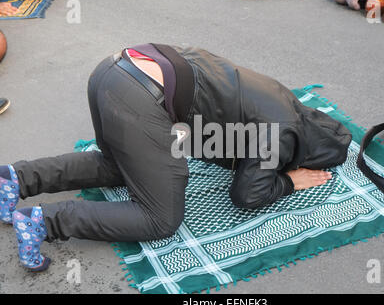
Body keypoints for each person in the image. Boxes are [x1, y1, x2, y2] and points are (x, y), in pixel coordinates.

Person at [0, 43, 352, 272]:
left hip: (115, 70)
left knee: (118, 164)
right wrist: (289, 179)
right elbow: (247, 194)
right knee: (160, 219)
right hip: (140, 96)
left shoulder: (284, 100)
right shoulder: (281, 131)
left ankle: (15, 179)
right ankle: (44, 222)